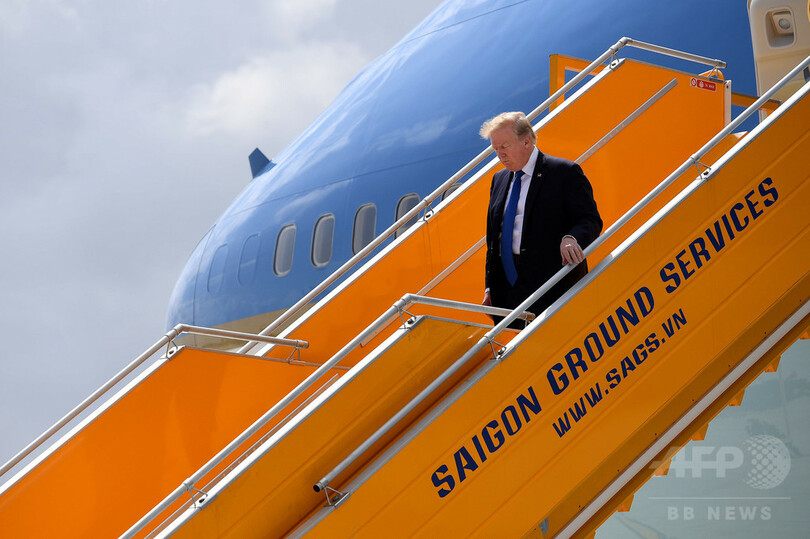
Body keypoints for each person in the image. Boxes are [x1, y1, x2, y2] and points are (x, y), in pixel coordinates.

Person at [480, 111, 602, 323]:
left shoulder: (564, 172)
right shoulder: (498, 180)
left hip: (554, 288)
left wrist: (572, 238)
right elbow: (493, 241)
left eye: (504, 146)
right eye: (495, 149)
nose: (500, 155)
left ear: (526, 142)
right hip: (509, 296)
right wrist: (490, 287)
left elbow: (589, 219)